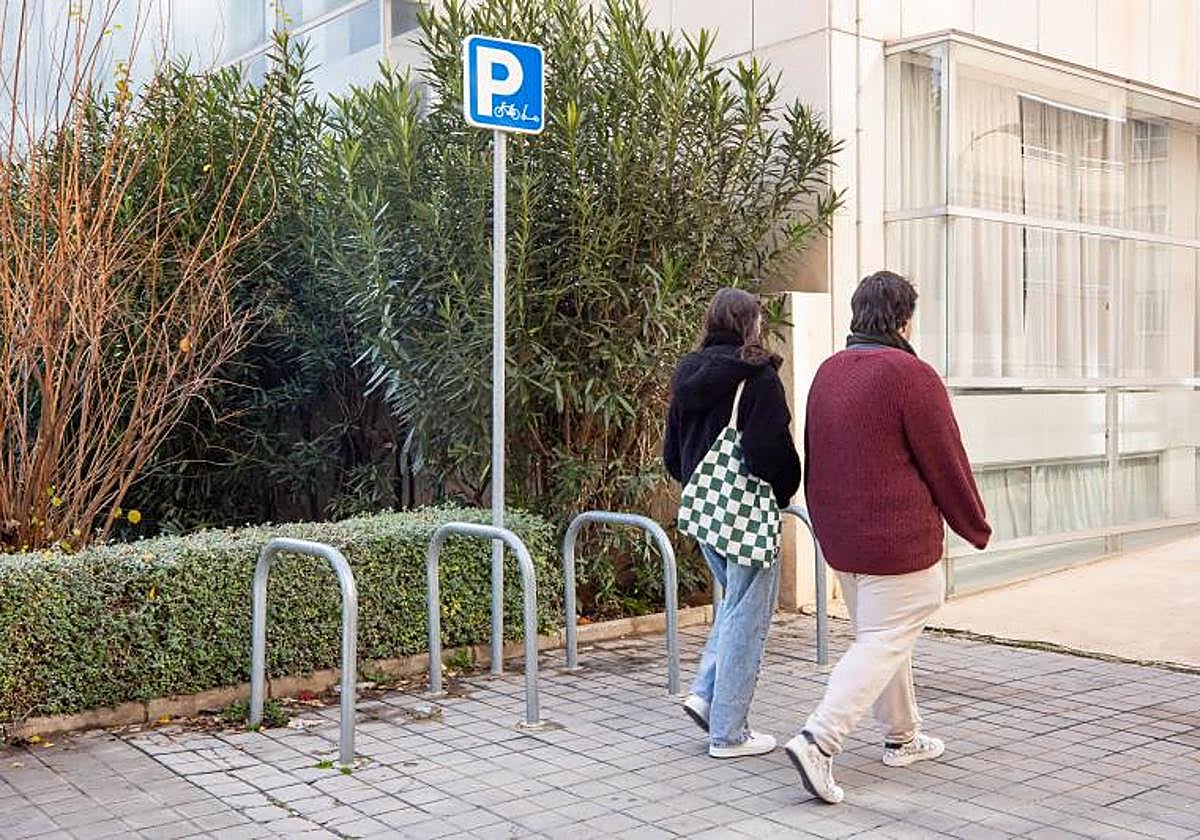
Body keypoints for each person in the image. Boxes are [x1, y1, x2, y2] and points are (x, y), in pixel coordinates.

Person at [785, 271, 991, 803]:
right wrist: (974, 525)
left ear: (857, 314)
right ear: (904, 319)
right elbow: (946, 461)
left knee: (881, 636)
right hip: (896, 541)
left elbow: (816, 455)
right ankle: (818, 739)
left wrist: (827, 526)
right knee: (883, 639)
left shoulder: (829, 371)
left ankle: (902, 737)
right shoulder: (910, 375)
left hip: (841, 538)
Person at [663, 287, 802, 759]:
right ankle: (728, 733)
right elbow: (770, 453)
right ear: (752, 325)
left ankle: (705, 694)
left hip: (705, 511)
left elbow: (671, 454)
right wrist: (784, 490)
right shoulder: (758, 377)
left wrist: (701, 483)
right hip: (746, 515)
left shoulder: (688, 374)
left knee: (735, 607)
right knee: (748, 619)